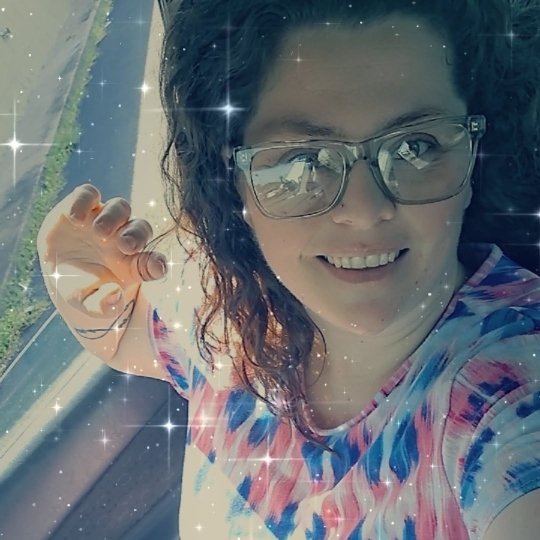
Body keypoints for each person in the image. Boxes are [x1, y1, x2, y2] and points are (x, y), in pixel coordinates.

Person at [37, 0, 540, 538]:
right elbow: (123, 336)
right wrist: (69, 276)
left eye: (416, 146)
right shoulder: (228, 309)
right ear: (233, 181)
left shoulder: (508, 396)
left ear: (473, 151)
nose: (365, 211)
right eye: (302, 160)